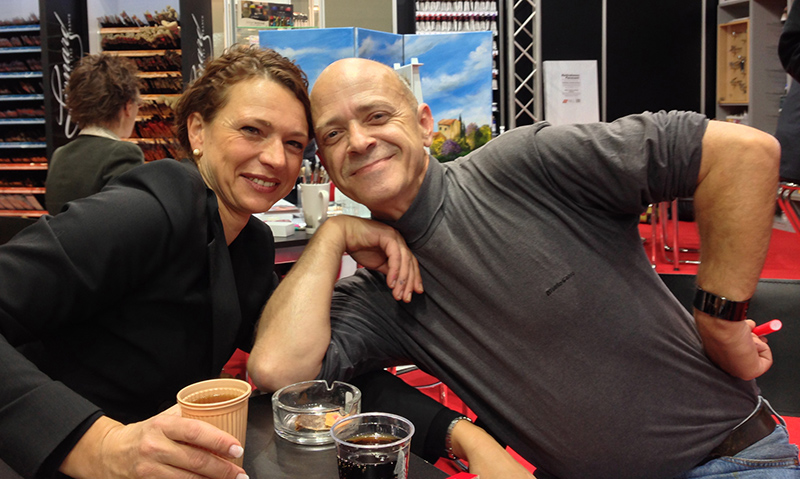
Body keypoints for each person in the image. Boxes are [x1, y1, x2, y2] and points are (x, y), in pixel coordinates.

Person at [249, 58, 800, 478]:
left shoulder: (525, 165)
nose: (359, 141)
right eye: (334, 134)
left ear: (423, 123)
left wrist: (721, 321)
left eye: (376, 116)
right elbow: (277, 372)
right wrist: (333, 236)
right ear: (325, 162)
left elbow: (744, 154)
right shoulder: (381, 291)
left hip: (728, 461)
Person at [1, 45, 521, 479]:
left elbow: (314, 368)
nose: (275, 158)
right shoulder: (149, 210)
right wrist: (99, 445)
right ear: (198, 132)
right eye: (252, 130)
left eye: (294, 143)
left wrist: (456, 433)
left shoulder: (248, 244)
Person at [45, 53, 145, 215]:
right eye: (138, 104)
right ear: (127, 106)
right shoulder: (124, 153)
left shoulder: (60, 155)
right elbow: (129, 218)